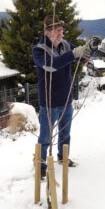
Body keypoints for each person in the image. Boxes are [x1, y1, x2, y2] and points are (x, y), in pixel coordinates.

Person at [32, 15, 91, 178]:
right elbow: (52, 65)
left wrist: (88, 50)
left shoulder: (65, 45)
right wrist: (74, 54)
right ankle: (41, 165)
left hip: (66, 101)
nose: (61, 34)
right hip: (49, 103)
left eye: (61, 30)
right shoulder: (39, 50)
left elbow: (78, 55)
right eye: (58, 31)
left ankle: (63, 158)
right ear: (47, 32)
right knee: (45, 137)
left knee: (65, 134)